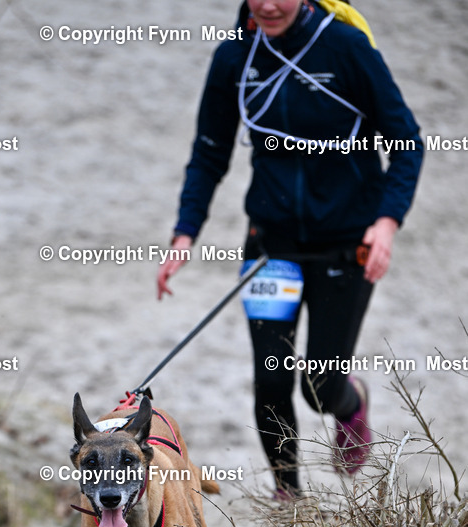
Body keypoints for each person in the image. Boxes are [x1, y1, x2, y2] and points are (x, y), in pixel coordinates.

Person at [157, 0, 423, 497]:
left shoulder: (346, 47)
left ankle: (351, 402)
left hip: (347, 246)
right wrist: (184, 234)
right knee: (272, 376)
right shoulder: (235, 56)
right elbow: (209, 153)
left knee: (319, 387)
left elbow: (406, 141)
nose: (270, 5)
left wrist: (386, 224)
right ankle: (289, 499)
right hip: (270, 245)